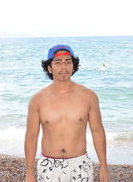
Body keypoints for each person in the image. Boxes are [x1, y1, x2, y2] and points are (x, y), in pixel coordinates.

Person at [24, 44, 109, 182]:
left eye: (68, 62)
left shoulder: (89, 96)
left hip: (80, 164)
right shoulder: (37, 100)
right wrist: (29, 173)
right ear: (49, 68)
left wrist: (104, 167)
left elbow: (97, 131)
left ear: (73, 66)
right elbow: (31, 136)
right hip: (49, 166)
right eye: (58, 63)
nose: (63, 67)